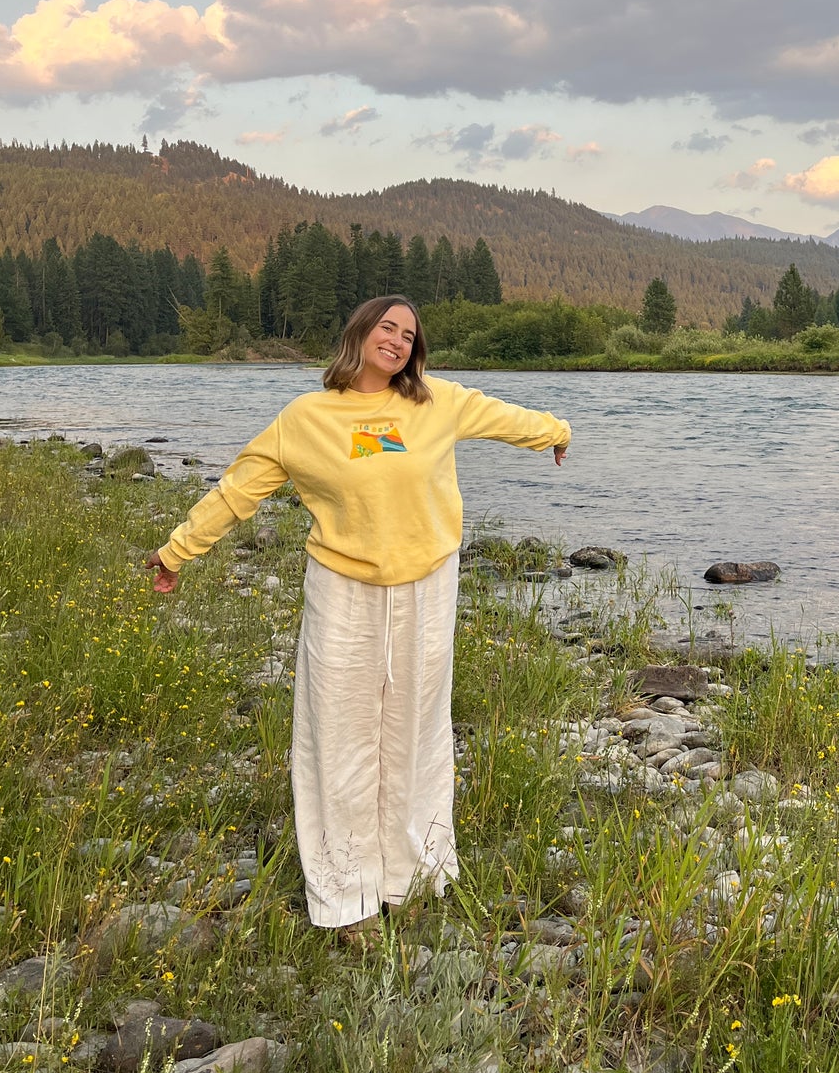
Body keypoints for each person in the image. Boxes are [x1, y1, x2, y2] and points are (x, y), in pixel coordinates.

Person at [145, 294, 570, 940]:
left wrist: (556, 432)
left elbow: (503, 417)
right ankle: (348, 898)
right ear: (360, 332)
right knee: (338, 736)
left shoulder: (435, 402)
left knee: (416, 730)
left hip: (428, 585)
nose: (398, 339)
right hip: (344, 590)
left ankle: (410, 873)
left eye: (409, 333)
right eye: (387, 326)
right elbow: (238, 489)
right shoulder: (305, 419)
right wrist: (177, 551)